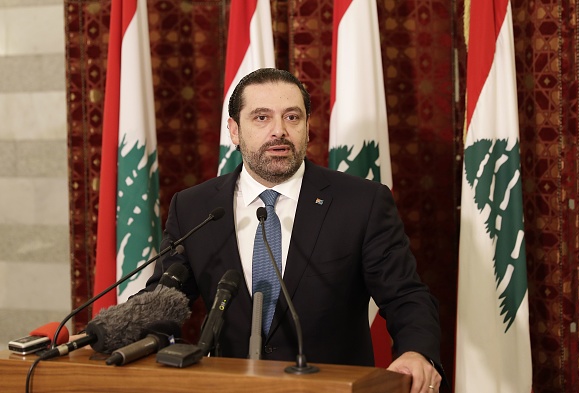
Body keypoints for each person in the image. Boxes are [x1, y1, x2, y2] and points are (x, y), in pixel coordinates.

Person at [145, 68, 444, 392]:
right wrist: (102, 336)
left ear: (308, 127)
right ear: (234, 130)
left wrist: (416, 352)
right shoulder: (194, 207)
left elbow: (405, 294)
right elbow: (163, 298)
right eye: (261, 118)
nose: (279, 131)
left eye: (292, 118)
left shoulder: (361, 202)